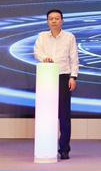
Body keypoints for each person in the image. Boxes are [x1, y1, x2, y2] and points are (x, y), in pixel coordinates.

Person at [33, 9, 78, 160]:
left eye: (57, 18)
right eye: (51, 19)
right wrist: (44, 58)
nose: (54, 21)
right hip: (46, 77)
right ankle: (47, 146)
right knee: (46, 113)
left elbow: (74, 59)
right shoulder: (42, 36)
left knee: (64, 115)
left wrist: (73, 77)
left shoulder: (69, 37)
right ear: (47, 21)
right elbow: (37, 52)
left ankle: (64, 149)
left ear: (62, 21)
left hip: (63, 77)